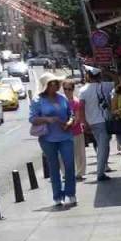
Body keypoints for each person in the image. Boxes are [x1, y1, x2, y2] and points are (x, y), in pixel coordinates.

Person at [29, 73, 78, 208]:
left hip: (65, 136)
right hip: (48, 138)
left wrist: (69, 122)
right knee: (54, 166)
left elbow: (71, 114)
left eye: (56, 83)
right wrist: (47, 119)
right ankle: (57, 196)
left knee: (69, 165)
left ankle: (71, 193)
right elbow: (32, 119)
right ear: (46, 86)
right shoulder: (38, 100)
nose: (55, 86)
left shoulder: (62, 98)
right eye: (52, 84)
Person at [78, 72, 115, 181]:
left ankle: (102, 168)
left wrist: (84, 122)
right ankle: (100, 173)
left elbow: (81, 108)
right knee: (103, 147)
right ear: (100, 76)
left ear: (88, 76)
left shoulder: (83, 90)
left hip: (92, 122)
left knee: (103, 145)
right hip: (104, 121)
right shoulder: (106, 86)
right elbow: (119, 81)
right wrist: (108, 71)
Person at [63, 80, 87, 181]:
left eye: (70, 89)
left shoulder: (76, 102)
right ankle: (66, 173)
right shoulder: (61, 101)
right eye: (65, 89)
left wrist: (69, 126)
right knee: (65, 154)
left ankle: (79, 173)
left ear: (73, 89)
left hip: (75, 131)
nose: (67, 91)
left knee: (79, 153)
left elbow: (77, 118)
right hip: (63, 132)